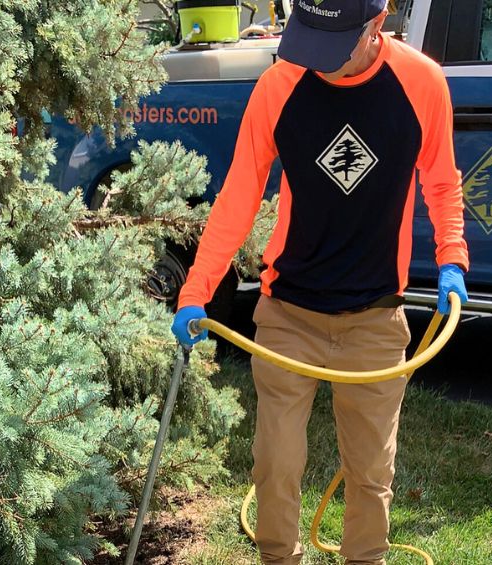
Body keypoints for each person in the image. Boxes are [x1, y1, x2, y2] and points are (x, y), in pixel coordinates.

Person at [171, 0, 469, 561]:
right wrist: (196, 291)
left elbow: (442, 182)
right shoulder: (279, 86)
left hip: (376, 315)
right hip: (288, 312)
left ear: (377, 24)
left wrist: (453, 257)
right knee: (275, 463)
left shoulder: (422, 84)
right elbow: (239, 196)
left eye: (332, 45)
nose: (317, 62)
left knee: (370, 471)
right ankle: (278, 557)